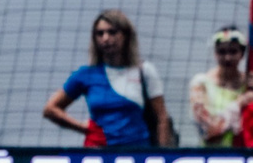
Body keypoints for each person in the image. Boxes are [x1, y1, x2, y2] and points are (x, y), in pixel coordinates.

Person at [43, 9, 174, 148]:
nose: (105, 38)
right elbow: (50, 109)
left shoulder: (144, 71)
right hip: (98, 152)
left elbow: (162, 117)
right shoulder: (86, 74)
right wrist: (83, 128)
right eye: (100, 33)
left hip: (137, 151)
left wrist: (162, 155)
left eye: (112, 32)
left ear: (126, 35)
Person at [187, 26, 253, 148]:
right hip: (212, 153)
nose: (227, 57)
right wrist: (239, 103)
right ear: (215, 53)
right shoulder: (201, 84)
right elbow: (208, 129)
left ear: (242, 54)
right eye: (222, 51)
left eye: (233, 51)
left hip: (246, 153)